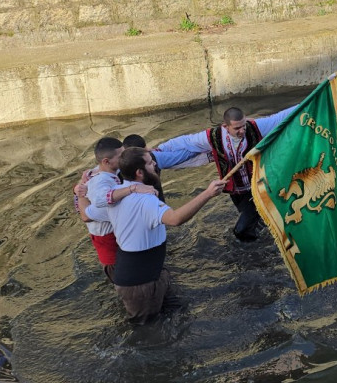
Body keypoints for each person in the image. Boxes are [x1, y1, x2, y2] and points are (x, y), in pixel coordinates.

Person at [87, 148, 223, 323]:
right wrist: (208, 194)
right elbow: (175, 219)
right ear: (139, 172)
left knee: (178, 312)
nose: (155, 165)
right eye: (151, 163)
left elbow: (86, 214)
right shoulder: (146, 200)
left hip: (153, 274)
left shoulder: (115, 193)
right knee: (147, 334)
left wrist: (79, 193)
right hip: (139, 284)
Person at [152, 104, 305, 241]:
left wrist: (317, 94)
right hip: (236, 192)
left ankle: (257, 257)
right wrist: (159, 150)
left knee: (241, 231)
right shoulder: (213, 136)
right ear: (225, 127)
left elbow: (282, 117)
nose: (242, 130)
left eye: (243, 126)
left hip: (259, 187)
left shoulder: (255, 126)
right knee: (257, 222)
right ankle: (271, 239)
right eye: (237, 128)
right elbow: (186, 142)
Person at [73, 136, 157, 282]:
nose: (124, 158)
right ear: (106, 161)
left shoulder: (94, 173)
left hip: (116, 238)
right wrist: (133, 188)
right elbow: (91, 209)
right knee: (128, 285)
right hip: (110, 246)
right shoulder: (101, 182)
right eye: (121, 156)